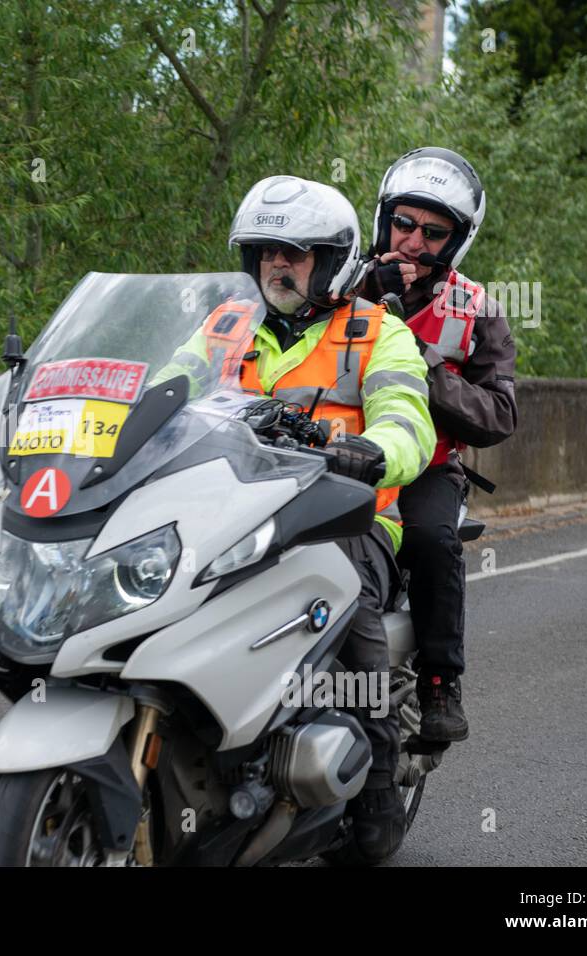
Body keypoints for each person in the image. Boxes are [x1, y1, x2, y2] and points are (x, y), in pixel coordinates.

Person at [157, 175, 435, 862]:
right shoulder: (224, 326)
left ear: (333, 258)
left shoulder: (379, 332)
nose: (276, 264)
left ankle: (372, 790)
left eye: (295, 251)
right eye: (263, 252)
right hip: (226, 508)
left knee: (349, 610)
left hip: (343, 516)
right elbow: (162, 391)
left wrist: (373, 451)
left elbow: (410, 423)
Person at [361, 147, 518, 742]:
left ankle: (438, 684)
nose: (413, 242)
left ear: (454, 243)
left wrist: (425, 371)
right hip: (336, 453)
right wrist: (359, 291)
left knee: (431, 538)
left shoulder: (477, 311)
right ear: (385, 221)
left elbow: (500, 414)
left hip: (425, 465)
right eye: (404, 223)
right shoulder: (339, 279)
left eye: (433, 233)